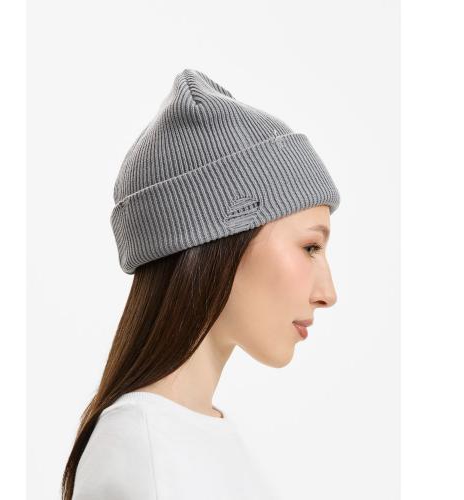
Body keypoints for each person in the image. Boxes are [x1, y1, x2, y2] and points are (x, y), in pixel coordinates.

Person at [62, 68, 341, 500]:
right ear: (221, 243)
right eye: (309, 247)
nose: (328, 294)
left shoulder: (193, 434)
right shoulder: (141, 447)